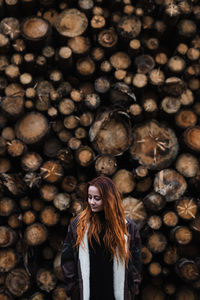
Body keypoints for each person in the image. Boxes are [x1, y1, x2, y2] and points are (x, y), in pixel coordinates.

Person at [61, 175, 142, 300]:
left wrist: (132, 288)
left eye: (97, 198)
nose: (91, 202)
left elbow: (135, 263)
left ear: (109, 199)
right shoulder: (78, 226)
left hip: (115, 294)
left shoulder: (127, 227)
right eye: (89, 197)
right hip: (89, 293)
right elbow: (67, 259)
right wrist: (74, 289)